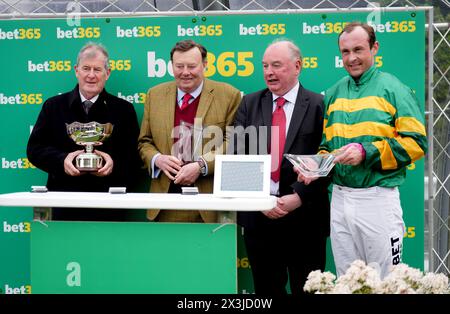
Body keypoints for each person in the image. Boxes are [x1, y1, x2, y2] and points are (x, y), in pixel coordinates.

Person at [296, 22, 427, 279]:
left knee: (386, 280)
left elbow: (417, 143)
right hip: (341, 199)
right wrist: (317, 168)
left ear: (374, 48)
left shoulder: (394, 89)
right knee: (348, 280)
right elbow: (327, 147)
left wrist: (366, 152)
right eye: (345, 52)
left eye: (358, 49)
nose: (352, 58)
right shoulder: (333, 93)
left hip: (377, 199)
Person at [232, 39, 330, 294]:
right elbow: (238, 154)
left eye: (276, 65)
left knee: (307, 290)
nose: (269, 72)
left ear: (297, 66)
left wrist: (298, 196)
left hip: (305, 218)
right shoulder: (249, 103)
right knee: (266, 291)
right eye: (265, 66)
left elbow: (327, 157)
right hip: (259, 218)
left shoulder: (320, 104)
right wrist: (262, 199)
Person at [27, 42, 141, 221]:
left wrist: (113, 163)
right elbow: (34, 150)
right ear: (76, 70)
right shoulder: (53, 106)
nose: (91, 75)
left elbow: (134, 159)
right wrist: (63, 160)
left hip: (108, 207)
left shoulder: (123, 110)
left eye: (97, 69)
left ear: (107, 73)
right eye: (86, 68)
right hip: (62, 204)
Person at [138, 40, 241, 223]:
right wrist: (157, 159)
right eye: (179, 66)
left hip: (210, 204)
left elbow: (234, 142)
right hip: (164, 204)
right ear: (172, 66)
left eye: (192, 66)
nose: (185, 72)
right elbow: (145, 141)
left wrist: (201, 166)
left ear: (205, 65)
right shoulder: (154, 95)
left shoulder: (228, 95)